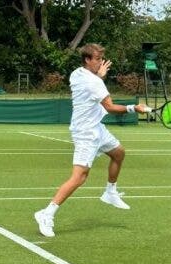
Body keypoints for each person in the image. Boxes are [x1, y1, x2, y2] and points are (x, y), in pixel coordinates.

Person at [34, 43, 151, 237]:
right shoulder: (94, 83)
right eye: (97, 59)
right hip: (86, 133)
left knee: (119, 153)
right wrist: (134, 108)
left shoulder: (76, 74)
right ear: (87, 60)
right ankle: (47, 213)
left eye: (100, 59)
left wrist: (99, 75)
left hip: (97, 128)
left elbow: (93, 84)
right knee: (79, 177)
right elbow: (111, 107)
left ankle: (110, 192)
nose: (100, 62)